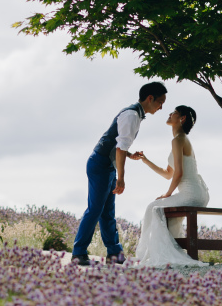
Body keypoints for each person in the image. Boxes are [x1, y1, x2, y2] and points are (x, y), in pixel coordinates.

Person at [71, 82, 167, 266]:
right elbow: (120, 147)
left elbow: (119, 146)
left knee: (107, 212)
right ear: (150, 98)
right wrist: (121, 179)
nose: (161, 107)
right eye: (160, 102)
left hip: (106, 165)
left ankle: (114, 253)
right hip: (100, 164)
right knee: (95, 209)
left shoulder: (136, 115)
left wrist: (130, 155)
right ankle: (78, 252)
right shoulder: (131, 115)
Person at [133, 105, 209, 266]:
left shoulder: (178, 140)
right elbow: (168, 173)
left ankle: (151, 253)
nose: (169, 114)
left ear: (182, 119)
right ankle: (167, 250)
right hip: (196, 192)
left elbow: (179, 173)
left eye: (173, 113)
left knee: (153, 207)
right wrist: (145, 160)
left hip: (191, 193)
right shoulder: (180, 140)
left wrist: (167, 194)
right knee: (156, 207)